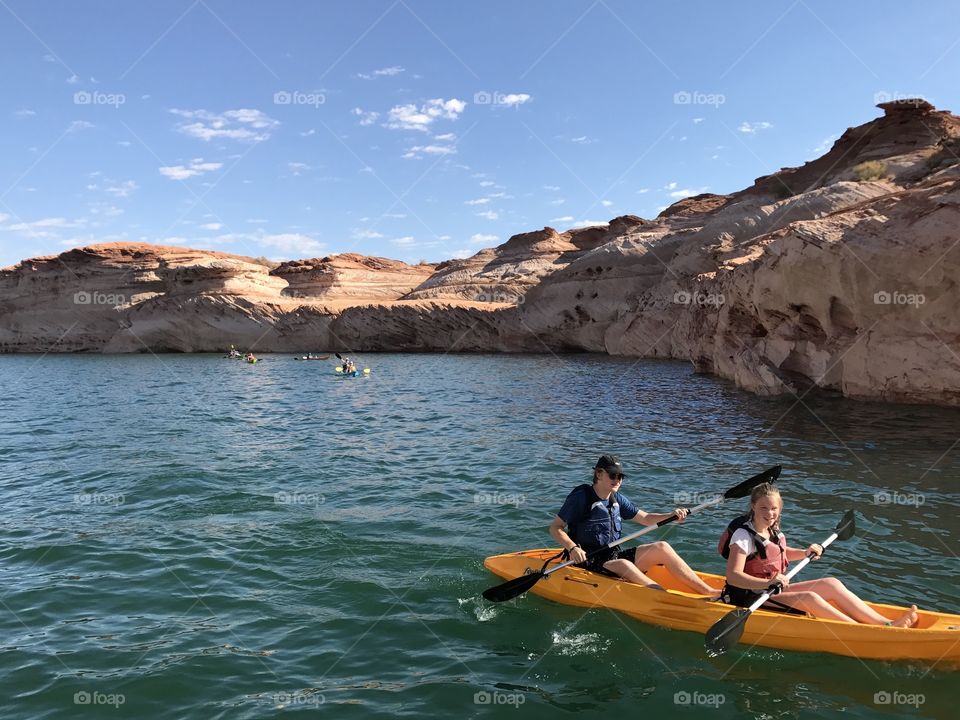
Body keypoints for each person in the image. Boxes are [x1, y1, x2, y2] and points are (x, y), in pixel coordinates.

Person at [720, 482, 918, 627]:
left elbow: (776, 554)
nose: (770, 513)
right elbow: (733, 576)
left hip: (772, 590)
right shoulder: (742, 535)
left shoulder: (772, 530)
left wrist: (805, 552)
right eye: (764, 507)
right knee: (810, 598)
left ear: (779, 509)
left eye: (774, 508)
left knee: (830, 583)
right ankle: (864, 632)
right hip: (750, 597)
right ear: (753, 506)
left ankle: (886, 623)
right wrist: (767, 584)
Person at [549, 455, 716, 594]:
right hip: (587, 559)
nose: (617, 480)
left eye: (620, 477)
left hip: (611, 556)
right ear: (599, 474)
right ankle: (662, 595)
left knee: (662, 547)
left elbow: (646, 518)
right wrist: (572, 548)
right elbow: (555, 527)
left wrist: (671, 515)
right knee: (624, 564)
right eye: (613, 475)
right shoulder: (581, 497)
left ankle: (709, 592)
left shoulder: (617, 499)